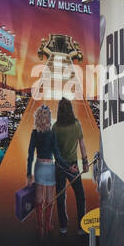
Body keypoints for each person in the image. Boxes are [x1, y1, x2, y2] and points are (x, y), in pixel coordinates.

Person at [26, 104, 64, 238]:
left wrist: (28, 174)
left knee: (39, 199)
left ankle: (40, 226)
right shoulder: (52, 134)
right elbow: (57, 156)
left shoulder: (34, 133)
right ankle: (48, 224)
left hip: (39, 166)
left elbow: (30, 155)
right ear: (48, 118)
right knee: (49, 199)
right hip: (50, 167)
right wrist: (68, 167)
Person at [52, 98, 89, 234]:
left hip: (60, 166)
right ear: (71, 110)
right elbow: (82, 144)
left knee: (61, 197)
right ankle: (80, 226)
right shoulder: (77, 124)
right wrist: (85, 163)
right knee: (80, 195)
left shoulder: (55, 127)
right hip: (73, 165)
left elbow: (55, 152)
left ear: (59, 111)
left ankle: (63, 226)